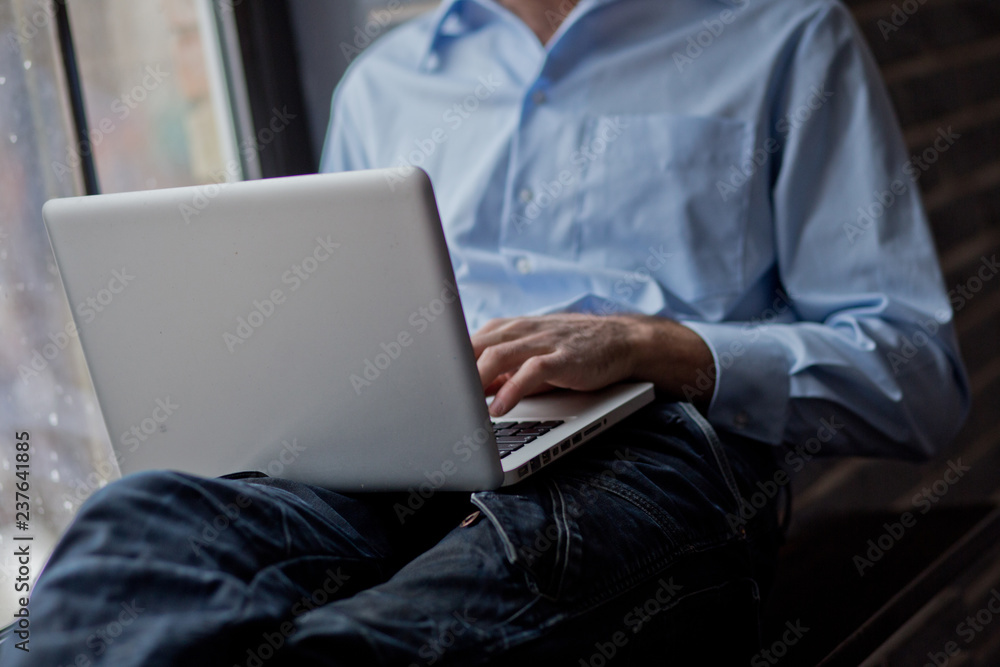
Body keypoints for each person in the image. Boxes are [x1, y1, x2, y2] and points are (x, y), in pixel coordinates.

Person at [4, 0, 969, 664]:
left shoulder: (788, 38)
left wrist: (655, 346)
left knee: (382, 637)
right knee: (124, 545)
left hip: (654, 455)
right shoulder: (384, 86)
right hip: (394, 452)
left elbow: (919, 377)